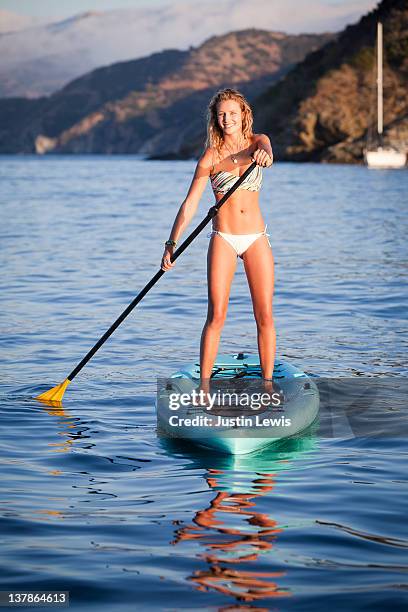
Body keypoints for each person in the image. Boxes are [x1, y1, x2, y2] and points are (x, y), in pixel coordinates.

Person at [161, 88, 275, 396]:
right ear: (215, 118)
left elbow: (269, 153)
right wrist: (171, 243)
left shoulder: (258, 142)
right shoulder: (210, 158)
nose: (228, 119)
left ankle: (267, 386)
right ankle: (205, 388)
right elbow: (189, 205)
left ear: (243, 116)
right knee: (216, 314)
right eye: (222, 114)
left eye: (233, 114)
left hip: (256, 237)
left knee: (264, 314)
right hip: (224, 238)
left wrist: (262, 155)